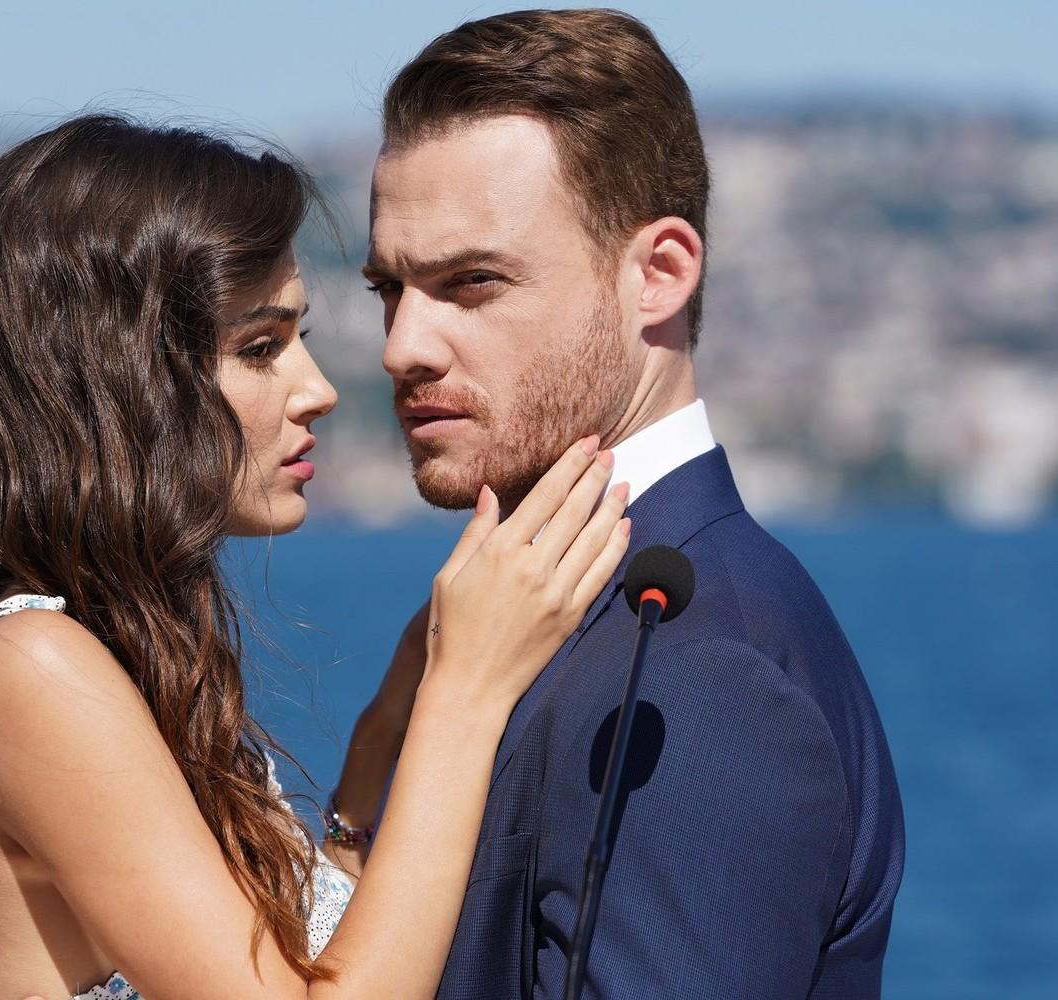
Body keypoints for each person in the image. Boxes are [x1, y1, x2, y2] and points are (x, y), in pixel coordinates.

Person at [0, 114, 633, 999]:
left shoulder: (124, 663)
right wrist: (466, 693)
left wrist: (384, 734)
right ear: (118, 381)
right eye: (260, 348)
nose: (319, 390)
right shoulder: (33, 669)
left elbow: (308, 968)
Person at [362, 9, 905, 998]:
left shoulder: (700, 671)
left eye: (471, 282)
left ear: (658, 274)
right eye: (388, 289)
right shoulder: (536, 621)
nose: (403, 346)